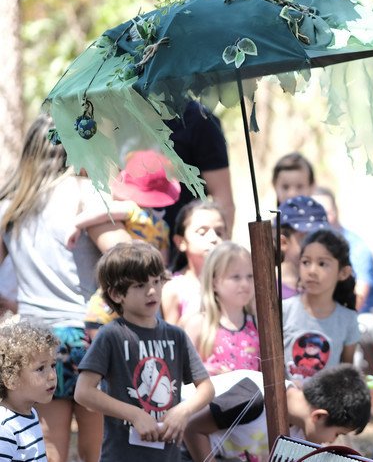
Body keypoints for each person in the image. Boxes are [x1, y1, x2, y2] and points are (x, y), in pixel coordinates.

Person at [0, 114, 131, 462]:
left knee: (48, 448)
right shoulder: (84, 193)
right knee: (96, 451)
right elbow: (125, 256)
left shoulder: (10, 206)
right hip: (88, 335)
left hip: (34, 339)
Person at [74, 241, 214, 462]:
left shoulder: (176, 335)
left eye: (156, 281)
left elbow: (206, 388)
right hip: (122, 456)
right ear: (117, 294)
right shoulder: (111, 335)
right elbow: (83, 392)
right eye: (140, 285)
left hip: (169, 456)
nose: (152, 291)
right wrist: (135, 414)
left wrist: (183, 411)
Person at [181, 364, 371, 461]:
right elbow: (191, 429)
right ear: (319, 416)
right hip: (176, 444)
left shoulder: (300, 426)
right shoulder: (254, 396)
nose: (331, 441)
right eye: (337, 433)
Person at [311, 187, 373, 374]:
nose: (321, 220)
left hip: (356, 316)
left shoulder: (356, 247)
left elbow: (359, 296)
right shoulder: (310, 248)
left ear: (335, 212)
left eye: (325, 213)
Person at [68, 149, 182, 264]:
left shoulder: (132, 209)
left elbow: (105, 212)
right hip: (148, 267)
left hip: (129, 262)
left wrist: (77, 223)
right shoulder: (163, 226)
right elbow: (163, 261)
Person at [282, 228, 360, 383]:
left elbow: (346, 374)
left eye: (322, 263)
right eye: (306, 262)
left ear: (343, 273)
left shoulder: (348, 319)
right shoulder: (283, 310)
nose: (312, 271)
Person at [162, 101, 235, 260]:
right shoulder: (120, 112)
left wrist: (221, 260)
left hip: (186, 250)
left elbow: (222, 197)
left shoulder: (198, 118)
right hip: (136, 244)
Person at [182, 241, 259, 374]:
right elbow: (181, 370)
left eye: (250, 276)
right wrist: (209, 372)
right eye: (236, 277)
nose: (245, 284)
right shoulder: (199, 324)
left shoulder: (258, 325)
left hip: (254, 394)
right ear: (214, 282)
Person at [0, 315, 59, 461]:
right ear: (11, 379)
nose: (52, 376)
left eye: (53, 365)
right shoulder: (5, 429)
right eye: (40, 369)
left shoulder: (30, 412)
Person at [162, 201, 228, 324]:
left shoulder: (237, 280)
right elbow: (171, 337)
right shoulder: (174, 288)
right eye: (202, 233)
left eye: (219, 232)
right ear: (181, 242)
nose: (214, 238)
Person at [277, 195, 330, 300]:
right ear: (283, 243)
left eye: (321, 238)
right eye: (308, 238)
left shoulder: (329, 282)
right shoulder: (267, 287)